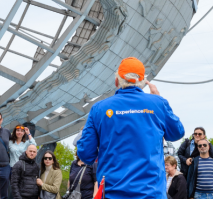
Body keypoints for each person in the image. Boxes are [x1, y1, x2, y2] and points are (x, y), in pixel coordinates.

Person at [76, 57, 186, 199]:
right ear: (143, 82)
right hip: (152, 194)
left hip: (113, 194)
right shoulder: (157, 104)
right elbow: (177, 133)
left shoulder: (99, 109)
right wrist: (158, 100)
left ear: (117, 81)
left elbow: (86, 154)